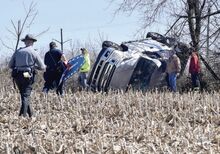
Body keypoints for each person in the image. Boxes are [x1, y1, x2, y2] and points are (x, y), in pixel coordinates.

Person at [8, 34, 45, 118]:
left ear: (25, 42)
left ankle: (30, 114)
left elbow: (10, 65)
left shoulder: (18, 51)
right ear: (32, 42)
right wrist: (35, 67)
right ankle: (23, 116)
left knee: (23, 94)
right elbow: (42, 67)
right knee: (26, 95)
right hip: (27, 74)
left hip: (17, 75)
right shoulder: (33, 52)